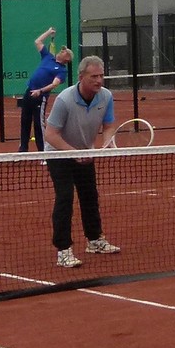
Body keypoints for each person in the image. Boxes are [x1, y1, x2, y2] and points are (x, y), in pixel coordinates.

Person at [43, 55, 123, 268]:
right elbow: (50, 134)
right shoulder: (65, 100)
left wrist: (107, 142)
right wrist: (72, 152)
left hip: (86, 152)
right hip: (58, 154)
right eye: (93, 76)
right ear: (81, 77)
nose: (98, 80)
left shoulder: (106, 96)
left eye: (101, 76)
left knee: (90, 196)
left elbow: (108, 126)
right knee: (65, 198)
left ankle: (95, 240)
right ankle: (63, 250)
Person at [16, 28, 73, 152]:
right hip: (29, 92)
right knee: (25, 122)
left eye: (64, 51)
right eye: (62, 50)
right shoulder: (48, 57)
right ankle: (22, 151)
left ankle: (43, 152)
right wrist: (49, 32)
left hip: (40, 97)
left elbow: (54, 84)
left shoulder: (62, 71)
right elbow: (38, 41)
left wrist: (40, 91)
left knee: (39, 125)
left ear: (67, 59)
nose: (62, 51)